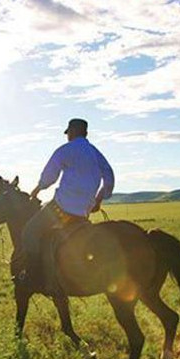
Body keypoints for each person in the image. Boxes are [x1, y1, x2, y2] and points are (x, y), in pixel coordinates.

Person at [18, 118, 115, 294]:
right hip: (83, 213)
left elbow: (49, 176)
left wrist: (37, 189)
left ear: (71, 132)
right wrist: (99, 199)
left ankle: (31, 276)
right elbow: (109, 177)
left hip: (60, 208)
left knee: (29, 232)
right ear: (85, 133)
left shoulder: (65, 150)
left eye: (68, 133)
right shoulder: (96, 154)